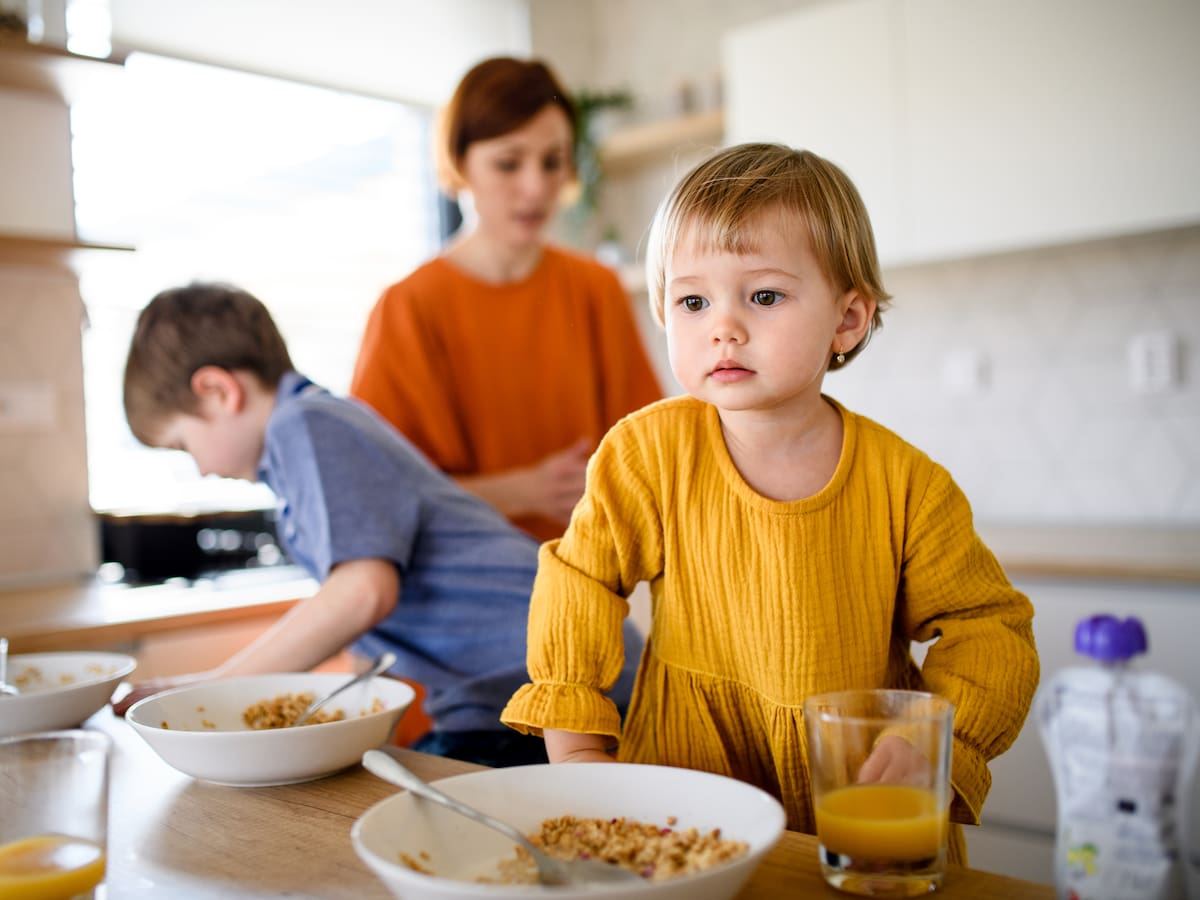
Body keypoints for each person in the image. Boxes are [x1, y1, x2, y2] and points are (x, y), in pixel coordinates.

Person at [500, 144, 1040, 860]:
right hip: (680, 797)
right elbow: (580, 580)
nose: (723, 326)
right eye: (693, 300)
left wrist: (933, 747)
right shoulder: (645, 454)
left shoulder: (908, 484)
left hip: (857, 812)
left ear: (848, 319)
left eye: (763, 296)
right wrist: (576, 759)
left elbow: (989, 628)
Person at [113, 282, 642, 768]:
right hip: (503, 699)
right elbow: (369, 627)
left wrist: (208, 690)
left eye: (184, 445)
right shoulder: (309, 438)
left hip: (563, 692)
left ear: (217, 391)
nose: (200, 467)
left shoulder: (306, 426)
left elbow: (363, 593)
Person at [350, 56, 662, 543]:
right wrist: (521, 491)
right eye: (508, 163)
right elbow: (375, 492)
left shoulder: (595, 288)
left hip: (589, 572)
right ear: (460, 162)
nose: (536, 187)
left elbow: (647, 447)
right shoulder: (408, 307)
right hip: (462, 584)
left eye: (553, 161)